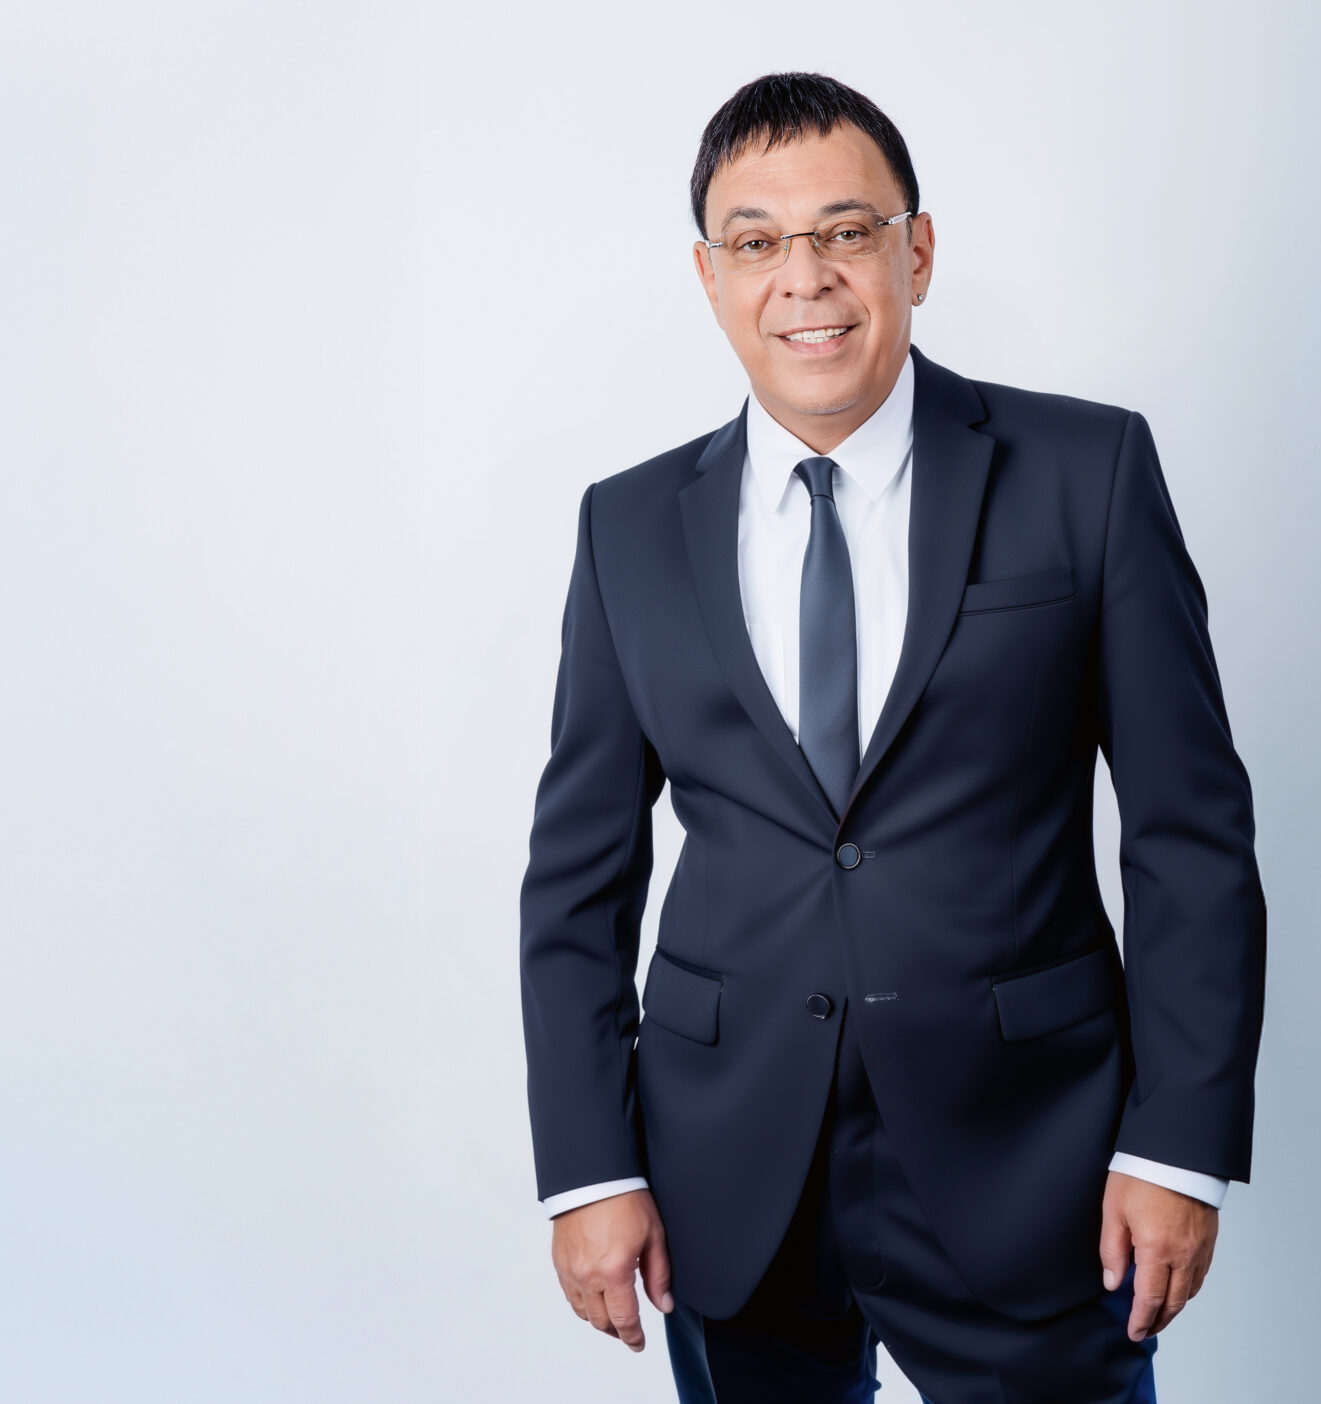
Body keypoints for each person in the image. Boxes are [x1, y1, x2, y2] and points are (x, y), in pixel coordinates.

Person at [519, 71, 1267, 1404]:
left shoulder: (1085, 474)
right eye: (757, 240)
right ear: (709, 276)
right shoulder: (625, 528)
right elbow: (577, 881)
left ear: (916, 252)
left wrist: (1177, 1147)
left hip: (1032, 1163)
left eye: (846, 231)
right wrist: (589, 1169)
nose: (803, 277)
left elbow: (1189, 836)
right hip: (723, 1174)